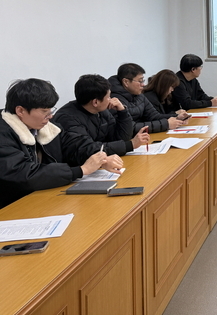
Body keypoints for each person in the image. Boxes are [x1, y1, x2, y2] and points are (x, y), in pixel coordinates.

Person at [0, 79, 117, 208]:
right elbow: (23, 174)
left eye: (51, 110)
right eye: (44, 111)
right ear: (20, 111)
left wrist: (100, 158)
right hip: (12, 206)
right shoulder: (3, 134)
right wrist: (80, 170)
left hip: (43, 197)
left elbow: (73, 144)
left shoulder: (46, 127)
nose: (50, 116)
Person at [54, 74, 149, 163]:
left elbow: (120, 138)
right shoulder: (68, 119)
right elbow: (87, 150)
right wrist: (130, 145)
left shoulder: (101, 110)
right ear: (95, 102)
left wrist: (122, 112)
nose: (111, 99)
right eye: (108, 97)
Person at [109, 63, 188, 134]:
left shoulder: (139, 95)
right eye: (140, 81)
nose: (143, 85)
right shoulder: (115, 100)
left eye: (143, 81)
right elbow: (130, 127)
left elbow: (154, 116)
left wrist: (176, 117)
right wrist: (166, 124)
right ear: (126, 82)